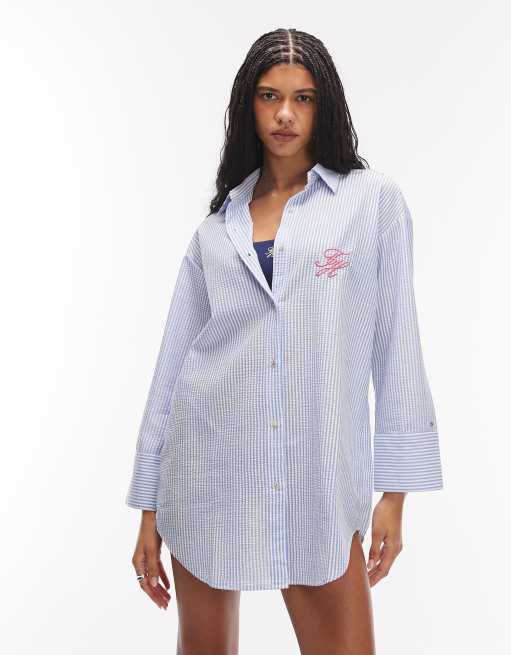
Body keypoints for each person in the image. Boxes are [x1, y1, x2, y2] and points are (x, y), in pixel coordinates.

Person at [125, 27, 443, 655]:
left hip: (317, 480)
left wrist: (395, 494)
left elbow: (397, 347)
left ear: (326, 106)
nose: (286, 114)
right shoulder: (216, 231)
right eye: (270, 96)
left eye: (303, 97)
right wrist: (149, 506)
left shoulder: (371, 203)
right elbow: (174, 368)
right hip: (207, 472)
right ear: (249, 104)